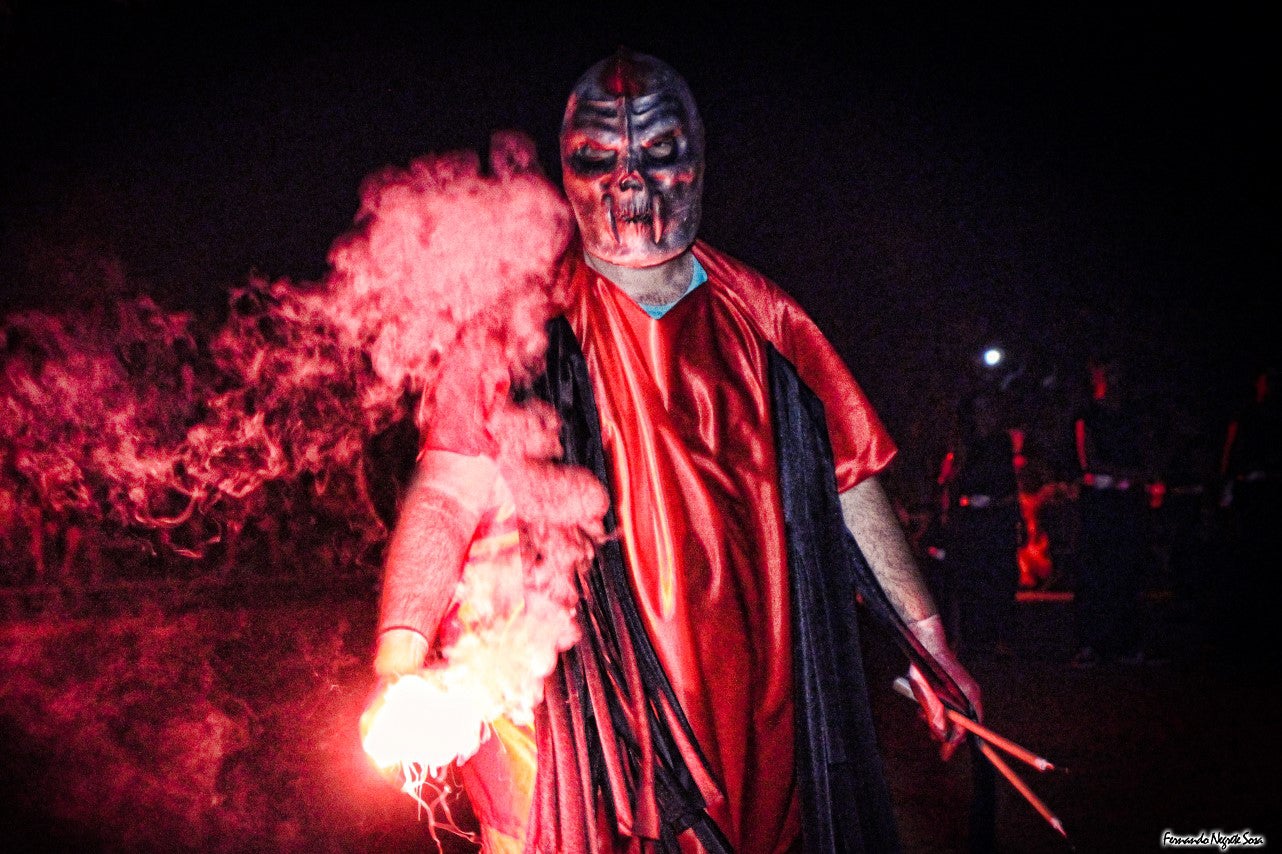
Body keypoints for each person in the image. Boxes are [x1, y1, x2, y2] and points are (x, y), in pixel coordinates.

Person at [374, 51, 981, 852]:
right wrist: (398, 658)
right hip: (561, 720)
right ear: (568, 168)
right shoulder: (516, 326)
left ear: (696, 157)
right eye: (601, 158)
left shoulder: (762, 315)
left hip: (743, 711)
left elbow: (848, 483)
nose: (630, 183)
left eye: (656, 152)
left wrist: (927, 641)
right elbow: (448, 493)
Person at [1069, 360, 1151, 668]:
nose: (1113, 380)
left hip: (1127, 502)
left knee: (1127, 569)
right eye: (1108, 373)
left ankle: (1127, 643)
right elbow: (1087, 459)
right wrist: (1120, 474)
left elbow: (1144, 454)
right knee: (1095, 570)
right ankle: (1091, 643)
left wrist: (1135, 478)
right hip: (1100, 503)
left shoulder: (1133, 414)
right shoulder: (1088, 416)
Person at [937, 392, 1022, 658]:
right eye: (980, 410)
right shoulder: (964, 444)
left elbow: (1009, 484)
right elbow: (949, 483)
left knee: (1001, 578)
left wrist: (1016, 518)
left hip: (998, 517)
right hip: (970, 520)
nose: (986, 415)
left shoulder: (1001, 442)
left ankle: (1001, 638)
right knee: (970, 579)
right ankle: (970, 640)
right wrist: (949, 518)